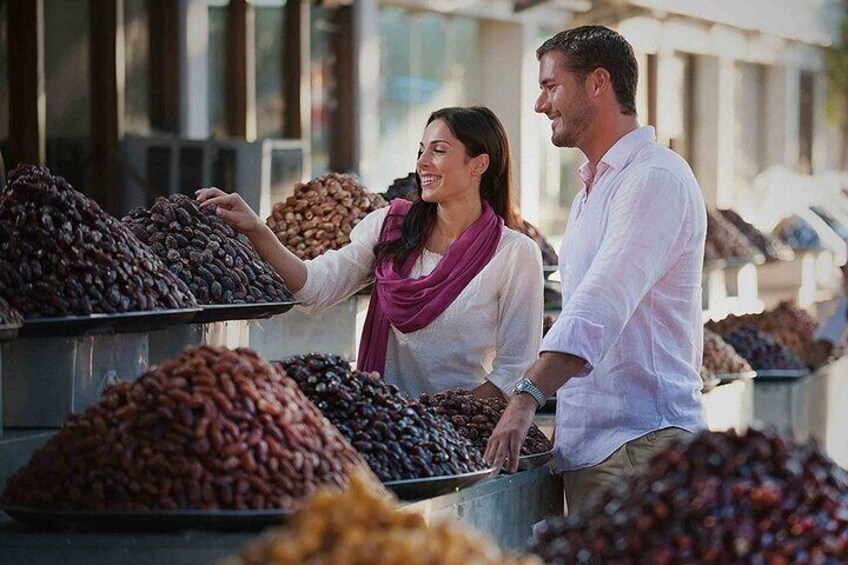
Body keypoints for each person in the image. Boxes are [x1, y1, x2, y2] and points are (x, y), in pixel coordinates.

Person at [485, 26, 707, 512]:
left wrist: (524, 397)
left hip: (639, 450)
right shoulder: (597, 186)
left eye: (550, 86)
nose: (540, 105)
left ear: (598, 83)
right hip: (603, 451)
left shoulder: (653, 179)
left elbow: (598, 305)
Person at [197, 106, 543, 400]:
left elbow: (513, 371)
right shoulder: (389, 227)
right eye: (421, 150)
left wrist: (439, 418)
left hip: (459, 438)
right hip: (386, 426)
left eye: (438, 150)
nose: (422, 162)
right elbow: (315, 288)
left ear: (478, 164)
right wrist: (257, 229)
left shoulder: (514, 254)